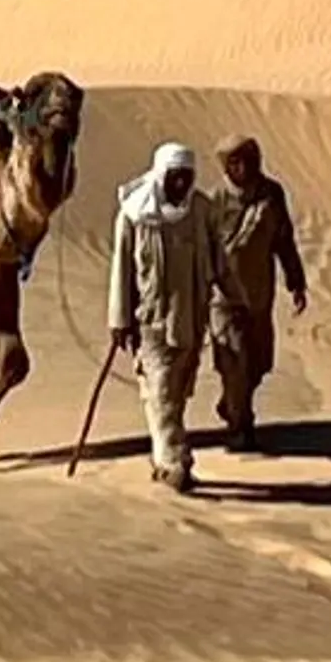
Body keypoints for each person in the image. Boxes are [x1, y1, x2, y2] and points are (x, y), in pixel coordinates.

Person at [106, 140, 219, 492]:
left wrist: (237, 298)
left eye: (186, 176)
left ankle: (162, 457)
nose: (181, 184)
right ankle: (175, 463)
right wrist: (120, 319)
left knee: (174, 393)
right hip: (152, 321)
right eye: (175, 176)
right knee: (163, 390)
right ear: (160, 175)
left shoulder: (202, 210)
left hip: (192, 320)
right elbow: (122, 269)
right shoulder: (134, 215)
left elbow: (220, 261)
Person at [206, 135, 310, 450]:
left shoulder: (271, 194)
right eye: (235, 162)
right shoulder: (215, 201)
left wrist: (296, 281)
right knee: (234, 359)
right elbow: (201, 250)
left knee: (258, 364)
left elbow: (283, 240)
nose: (244, 167)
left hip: (259, 298)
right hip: (225, 300)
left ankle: (232, 403)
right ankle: (241, 426)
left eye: (249, 159)